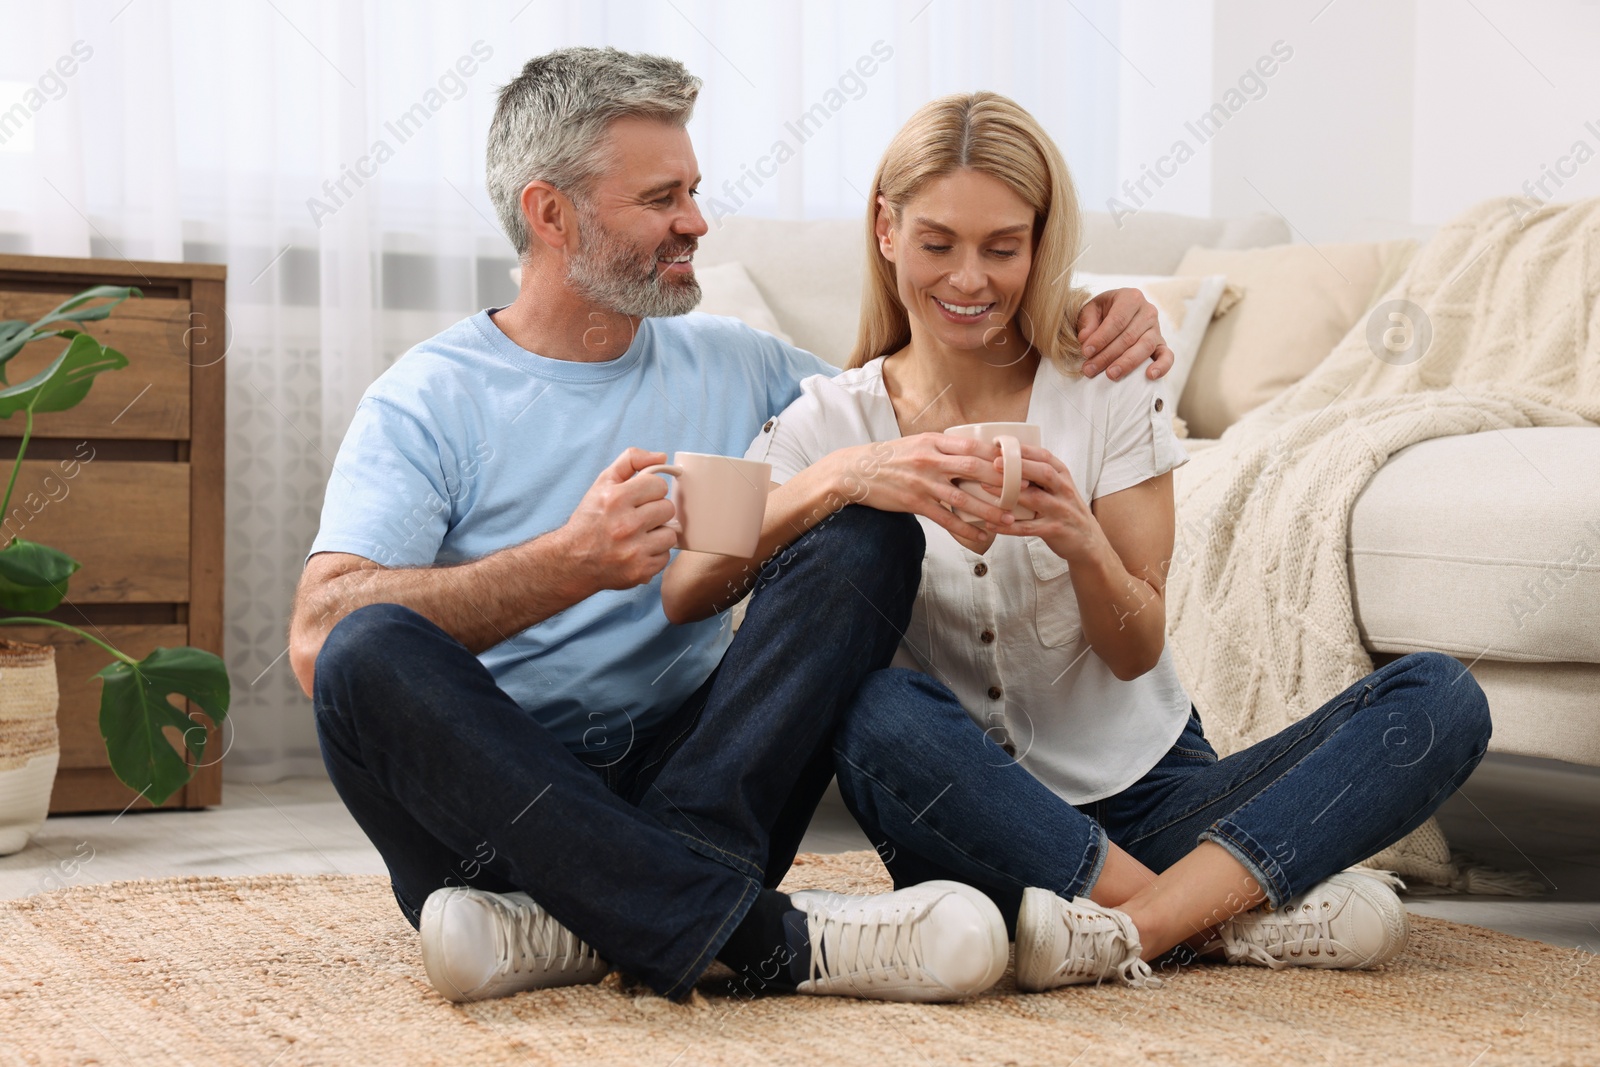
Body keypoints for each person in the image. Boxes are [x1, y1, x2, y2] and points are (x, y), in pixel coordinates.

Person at [289, 49, 1172, 1005]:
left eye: (695, 191)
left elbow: (907, 392)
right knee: (362, 648)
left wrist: (1095, 313)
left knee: (864, 534)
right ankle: (775, 936)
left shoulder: (737, 362)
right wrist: (567, 564)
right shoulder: (427, 397)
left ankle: (591, 917)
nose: (697, 222)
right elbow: (314, 636)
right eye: (663, 197)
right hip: (498, 805)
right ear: (551, 214)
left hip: (705, 791)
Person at [662, 90, 1492, 990]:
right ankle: (1225, 918)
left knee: (1441, 695)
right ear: (886, 230)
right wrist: (848, 476)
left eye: (1003, 248)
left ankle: (1135, 924)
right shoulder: (828, 413)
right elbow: (684, 583)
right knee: (876, 715)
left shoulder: (1106, 382)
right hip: (968, 811)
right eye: (939, 243)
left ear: (1041, 242)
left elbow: (1137, 651)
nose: (970, 279)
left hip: (1153, 796)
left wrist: (1082, 540)